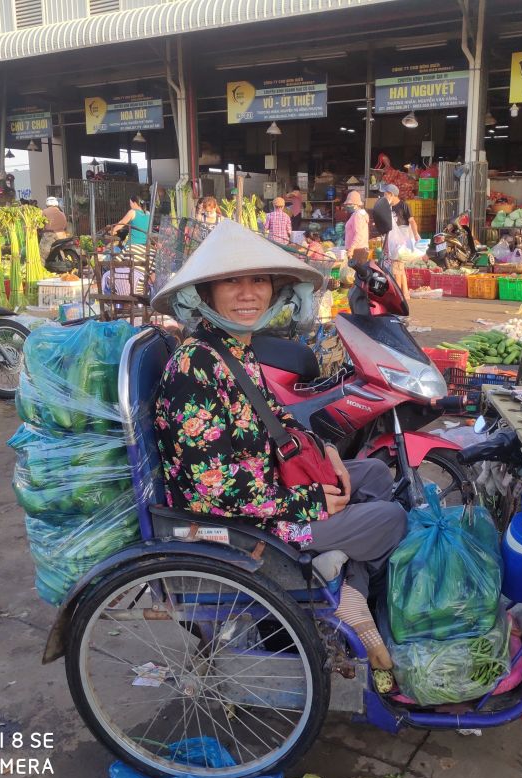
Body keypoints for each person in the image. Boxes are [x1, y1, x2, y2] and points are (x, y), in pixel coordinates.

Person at [151, 220, 407, 670]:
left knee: (374, 474)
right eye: (232, 281)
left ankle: (347, 582)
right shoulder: (195, 367)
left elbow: (274, 415)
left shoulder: (235, 347)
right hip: (241, 527)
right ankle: (351, 595)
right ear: (206, 293)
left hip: (266, 489)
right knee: (390, 519)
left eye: (259, 280)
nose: (248, 293)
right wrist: (309, 501)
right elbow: (212, 487)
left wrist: (324, 450)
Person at [107, 196, 152, 295]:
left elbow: (121, 223)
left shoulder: (132, 212)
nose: (130, 205)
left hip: (133, 245)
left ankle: (114, 289)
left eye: (130, 203)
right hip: (146, 246)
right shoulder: (148, 213)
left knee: (111, 259)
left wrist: (112, 230)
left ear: (134, 203)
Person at [343, 190, 370, 267]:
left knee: (355, 273)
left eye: (350, 204)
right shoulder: (359, 214)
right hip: (360, 249)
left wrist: (351, 249)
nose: (348, 206)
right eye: (347, 204)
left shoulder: (357, 215)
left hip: (357, 251)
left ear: (356, 205)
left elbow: (358, 234)